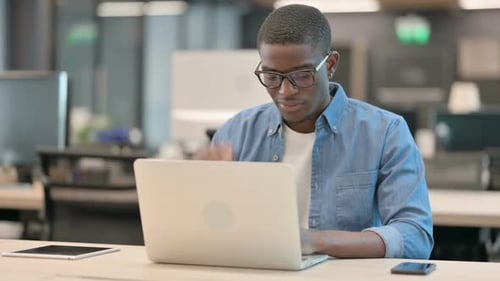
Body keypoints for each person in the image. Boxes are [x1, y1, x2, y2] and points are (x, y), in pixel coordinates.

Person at [195, 4, 433, 259]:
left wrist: (315, 241)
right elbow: (207, 232)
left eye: (302, 75)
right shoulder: (237, 132)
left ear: (330, 64)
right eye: (272, 76)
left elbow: (415, 237)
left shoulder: (385, 133)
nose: (285, 91)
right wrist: (205, 194)